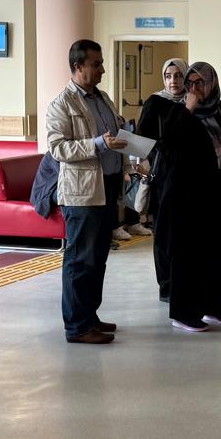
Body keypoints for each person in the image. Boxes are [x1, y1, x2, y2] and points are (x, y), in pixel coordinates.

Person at [44, 39, 127, 345]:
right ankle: (77, 327)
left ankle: (90, 316)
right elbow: (58, 148)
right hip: (82, 194)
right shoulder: (61, 104)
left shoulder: (103, 98)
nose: (102, 69)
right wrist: (98, 144)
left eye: (102, 63)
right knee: (80, 260)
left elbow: (114, 134)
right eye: (96, 64)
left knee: (98, 258)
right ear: (78, 66)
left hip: (108, 186)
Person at [160, 62, 221, 333]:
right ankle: (183, 312)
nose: (195, 88)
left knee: (215, 251)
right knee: (187, 255)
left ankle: (212, 305)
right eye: (191, 83)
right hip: (186, 194)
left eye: (201, 83)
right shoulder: (178, 111)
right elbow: (170, 144)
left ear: (212, 84)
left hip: (218, 191)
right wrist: (188, 108)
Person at [138, 57, 188, 302]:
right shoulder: (155, 102)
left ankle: (184, 282)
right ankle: (166, 285)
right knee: (162, 232)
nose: (173, 81)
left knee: (185, 234)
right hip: (163, 176)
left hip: (189, 176)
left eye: (178, 75)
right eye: (168, 76)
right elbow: (143, 138)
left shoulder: (194, 101)